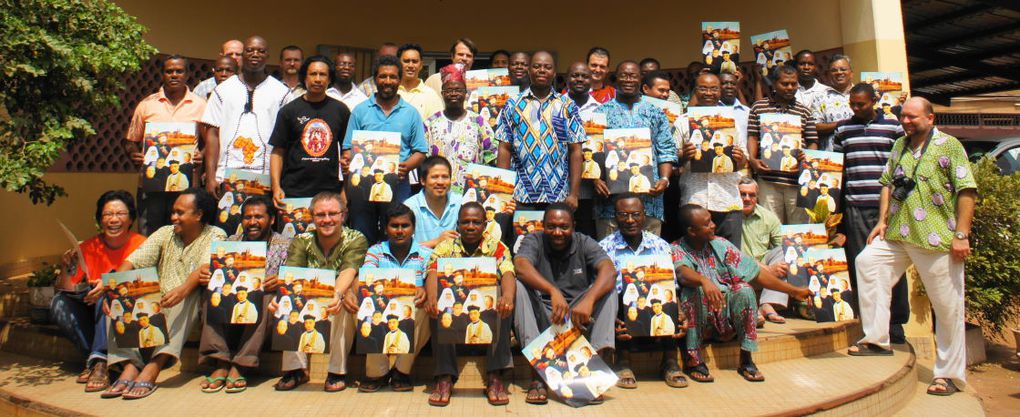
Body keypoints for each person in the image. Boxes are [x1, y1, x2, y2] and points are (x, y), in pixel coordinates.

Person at [850, 97, 977, 397]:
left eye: (913, 117)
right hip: (898, 234)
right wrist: (882, 220)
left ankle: (948, 375)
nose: (906, 122)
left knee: (947, 308)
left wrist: (962, 235)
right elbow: (888, 184)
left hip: (936, 239)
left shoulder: (949, 146)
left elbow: (966, 190)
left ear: (930, 119)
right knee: (868, 262)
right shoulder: (899, 146)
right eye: (903, 117)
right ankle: (876, 339)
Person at [102, 188, 226, 400]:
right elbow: (133, 260)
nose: (173, 217)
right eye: (173, 212)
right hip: (156, 301)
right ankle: (130, 365)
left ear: (199, 215)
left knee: (191, 294)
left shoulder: (216, 234)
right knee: (117, 296)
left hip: (186, 305)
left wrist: (183, 289)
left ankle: (154, 366)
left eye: (180, 213)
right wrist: (112, 288)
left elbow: (204, 268)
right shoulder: (165, 232)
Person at [672, 204, 811, 384]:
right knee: (693, 291)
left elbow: (756, 273)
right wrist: (703, 281)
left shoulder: (720, 244)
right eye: (707, 224)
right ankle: (694, 360)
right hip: (700, 322)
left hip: (726, 318)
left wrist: (794, 291)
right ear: (691, 231)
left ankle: (746, 359)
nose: (713, 225)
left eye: (712, 221)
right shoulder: (676, 249)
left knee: (744, 289)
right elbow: (682, 272)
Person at [514, 203, 618, 405]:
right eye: (551, 226)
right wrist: (551, 290)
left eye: (564, 226)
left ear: (574, 226)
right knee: (518, 287)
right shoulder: (533, 239)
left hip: (578, 316)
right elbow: (521, 266)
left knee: (608, 290)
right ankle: (537, 377)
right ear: (542, 226)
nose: (557, 232)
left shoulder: (584, 242)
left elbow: (609, 270)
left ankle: (594, 373)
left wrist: (589, 300)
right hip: (545, 314)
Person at [834, 83, 909, 343]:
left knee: (892, 265)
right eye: (852, 104)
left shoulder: (893, 127)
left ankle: (896, 323)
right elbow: (836, 170)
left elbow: (903, 166)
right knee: (861, 266)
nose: (856, 108)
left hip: (888, 210)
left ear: (874, 101)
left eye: (861, 104)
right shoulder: (842, 129)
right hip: (855, 207)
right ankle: (869, 323)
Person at [272, 192, 367, 392]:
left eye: (333, 214)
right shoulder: (302, 240)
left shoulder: (355, 238)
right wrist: (280, 299)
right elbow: (293, 275)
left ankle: (336, 371)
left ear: (343, 215)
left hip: (336, 296)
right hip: (308, 298)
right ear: (312, 217)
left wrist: (338, 293)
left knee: (343, 303)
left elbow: (349, 270)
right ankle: (295, 369)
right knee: (286, 302)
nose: (327, 220)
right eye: (320, 215)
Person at [51, 191, 146, 393]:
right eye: (107, 214)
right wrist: (67, 267)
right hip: (90, 310)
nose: (113, 219)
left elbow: (147, 286)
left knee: (108, 291)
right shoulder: (87, 247)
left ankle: (100, 360)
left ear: (131, 219)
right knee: (59, 303)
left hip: (128, 316)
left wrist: (108, 285)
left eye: (120, 214)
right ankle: (96, 361)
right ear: (99, 220)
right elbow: (66, 288)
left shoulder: (142, 245)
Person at [424, 202, 516, 407]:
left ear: (485, 225)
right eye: (465, 222)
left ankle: (495, 375)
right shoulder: (447, 246)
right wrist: (431, 296)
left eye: (476, 222)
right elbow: (432, 270)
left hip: (484, 310)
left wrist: (508, 297)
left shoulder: (496, 246)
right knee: (437, 296)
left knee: (503, 294)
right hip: (455, 310)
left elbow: (508, 271)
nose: (471, 226)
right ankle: (444, 376)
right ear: (458, 225)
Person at [197, 196, 289, 393]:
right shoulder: (230, 243)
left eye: (259, 217)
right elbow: (213, 271)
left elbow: (293, 281)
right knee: (209, 293)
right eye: (247, 217)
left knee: (268, 299)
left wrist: (281, 282)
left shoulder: (285, 245)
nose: (253, 222)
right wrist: (207, 273)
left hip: (261, 312)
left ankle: (240, 364)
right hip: (231, 305)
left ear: (271, 219)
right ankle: (220, 361)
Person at [598, 194, 687, 389]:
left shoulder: (660, 245)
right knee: (621, 296)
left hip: (654, 301)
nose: (630, 220)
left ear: (644, 215)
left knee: (669, 301)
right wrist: (608, 315)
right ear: (615, 217)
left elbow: (671, 284)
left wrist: (678, 311)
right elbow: (598, 286)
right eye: (623, 215)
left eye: (636, 214)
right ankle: (622, 362)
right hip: (621, 307)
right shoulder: (604, 248)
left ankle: (670, 361)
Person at [341, 54, 429, 243]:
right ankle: (364, 272)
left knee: (397, 237)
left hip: (398, 186)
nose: (387, 81)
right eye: (382, 76)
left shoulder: (411, 113)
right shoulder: (360, 110)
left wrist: (406, 166)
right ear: (375, 79)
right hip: (362, 188)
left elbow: (421, 151)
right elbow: (348, 148)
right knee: (362, 237)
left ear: (399, 79)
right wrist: (348, 162)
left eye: (393, 77)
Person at [590, 61, 676, 239]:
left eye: (633, 76)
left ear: (641, 80)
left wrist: (665, 179)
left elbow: (666, 149)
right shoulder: (600, 113)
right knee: (610, 257)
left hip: (649, 201)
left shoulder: (656, 112)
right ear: (615, 79)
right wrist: (596, 180)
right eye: (624, 75)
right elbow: (591, 152)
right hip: (610, 202)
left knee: (650, 258)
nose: (628, 80)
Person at [125, 55, 207, 235]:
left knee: (183, 235)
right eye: (169, 71)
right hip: (151, 185)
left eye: (179, 71)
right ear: (163, 74)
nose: (174, 75)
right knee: (149, 235)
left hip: (185, 185)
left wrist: (202, 153)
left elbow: (212, 141)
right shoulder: (147, 105)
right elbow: (131, 141)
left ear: (187, 74)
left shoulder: (201, 105)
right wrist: (134, 154)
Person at [495, 51, 585, 213]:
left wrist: (573, 193)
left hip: (559, 195)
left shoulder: (567, 105)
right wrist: (504, 192)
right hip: (520, 194)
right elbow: (504, 148)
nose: (542, 70)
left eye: (547, 67)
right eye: (536, 66)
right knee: (523, 239)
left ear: (554, 73)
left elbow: (576, 151)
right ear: (529, 70)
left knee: (555, 238)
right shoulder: (512, 105)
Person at [202, 36, 290, 194]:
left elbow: (286, 139)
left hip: (266, 178)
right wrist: (211, 177)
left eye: (261, 51)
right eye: (250, 50)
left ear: (267, 57)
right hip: (226, 176)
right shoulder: (223, 90)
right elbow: (212, 134)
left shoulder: (281, 93)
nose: (255, 54)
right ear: (242, 56)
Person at [359, 204, 432, 392]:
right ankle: (378, 372)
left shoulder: (425, 254)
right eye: (394, 226)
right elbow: (368, 278)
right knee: (368, 307)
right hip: (383, 306)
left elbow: (430, 280)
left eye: (405, 226)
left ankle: (402, 371)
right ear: (385, 228)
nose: (400, 231)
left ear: (413, 228)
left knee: (425, 308)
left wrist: (423, 289)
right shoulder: (375, 251)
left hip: (411, 308)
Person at [269, 55, 351, 209]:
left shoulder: (340, 110)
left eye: (323, 74)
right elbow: (277, 152)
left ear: (329, 79)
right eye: (313, 74)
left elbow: (348, 152)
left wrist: (344, 190)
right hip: (293, 193)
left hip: (329, 194)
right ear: (304, 77)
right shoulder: (289, 111)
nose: (318, 79)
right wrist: (276, 187)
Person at [677, 73, 748, 246]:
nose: (709, 93)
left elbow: (743, 158)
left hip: (727, 199)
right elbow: (672, 158)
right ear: (695, 91)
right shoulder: (682, 121)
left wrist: (740, 159)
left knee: (730, 256)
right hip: (695, 198)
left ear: (720, 91)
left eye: (714, 88)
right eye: (703, 88)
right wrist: (684, 155)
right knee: (697, 254)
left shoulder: (732, 122)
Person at [747, 65, 819, 225]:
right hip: (768, 180)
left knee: (798, 228)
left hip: (796, 180)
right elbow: (752, 136)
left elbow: (813, 141)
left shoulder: (804, 111)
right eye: (785, 84)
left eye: (794, 84)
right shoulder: (758, 108)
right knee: (772, 227)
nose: (790, 87)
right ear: (773, 83)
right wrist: (752, 159)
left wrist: (806, 157)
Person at [423, 64, 498, 191]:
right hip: (438, 192)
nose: (453, 94)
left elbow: (492, 155)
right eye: (448, 91)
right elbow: (423, 158)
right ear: (442, 93)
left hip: (471, 193)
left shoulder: (478, 122)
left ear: (466, 93)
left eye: (458, 90)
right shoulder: (430, 123)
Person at [737, 177, 793, 324]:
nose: (747, 199)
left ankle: (767, 303)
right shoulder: (728, 217)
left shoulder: (768, 217)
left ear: (757, 197)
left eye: (751, 195)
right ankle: (754, 309)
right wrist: (767, 269)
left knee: (785, 250)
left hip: (763, 272)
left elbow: (782, 247)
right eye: (742, 194)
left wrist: (769, 268)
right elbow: (732, 254)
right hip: (739, 270)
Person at [563, 62, 601, 237]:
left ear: (592, 79)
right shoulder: (555, 106)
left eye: (585, 76)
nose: (579, 79)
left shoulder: (600, 111)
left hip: (590, 189)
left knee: (585, 237)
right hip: (560, 187)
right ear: (566, 78)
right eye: (575, 75)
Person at [404, 156, 462, 248]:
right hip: (421, 261)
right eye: (434, 177)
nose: (440, 182)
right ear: (423, 180)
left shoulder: (460, 203)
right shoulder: (409, 207)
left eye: (445, 177)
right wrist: (437, 241)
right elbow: (402, 248)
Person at [812, 55, 855, 150]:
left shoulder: (862, 94)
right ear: (828, 74)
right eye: (834, 70)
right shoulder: (819, 97)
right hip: (832, 158)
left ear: (851, 73)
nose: (839, 73)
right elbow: (815, 127)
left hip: (858, 155)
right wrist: (842, 124)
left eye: (843, 69)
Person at [395, 43, 443, 120]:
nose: (410, 65)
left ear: (421, 65)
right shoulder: (390, 91)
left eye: (414, 61)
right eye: (406, 61)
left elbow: (437, 125)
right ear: (398, 63)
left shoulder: (431, 95)